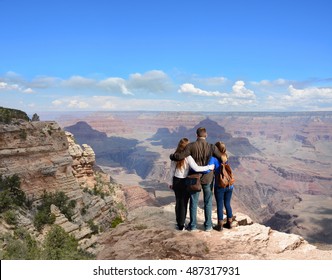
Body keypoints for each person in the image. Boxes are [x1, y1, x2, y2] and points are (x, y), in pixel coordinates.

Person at [170, 127, 221, 231]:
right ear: (205, 135)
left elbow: (180, 156)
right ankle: (208, 226)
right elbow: (222, 158)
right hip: (208, 178)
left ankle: (192, 226)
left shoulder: (191, 146)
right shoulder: (211, 147)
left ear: (196, 135)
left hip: (194, 178)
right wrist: (213, 165)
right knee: (208, 202)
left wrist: (172, 156)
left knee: (193, 202)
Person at [209, 141, 234, 231]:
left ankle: (220, 225)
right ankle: (229, 223)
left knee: (220, 204)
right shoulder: (225, 157)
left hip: (220, 186)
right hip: (229, 185)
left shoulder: (214, 159)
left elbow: (209, 169)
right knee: (227, 203)